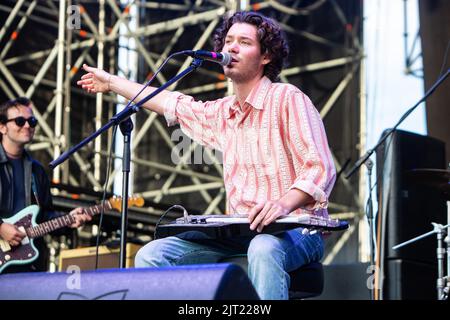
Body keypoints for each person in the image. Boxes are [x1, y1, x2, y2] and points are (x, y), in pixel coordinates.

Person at [77, 11, 335, 300]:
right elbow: (171, 102)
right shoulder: (224, 112)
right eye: (228, 41)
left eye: (244, 42)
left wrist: (282, 204)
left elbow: (319, 168)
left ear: (266, 57)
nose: (231, 48)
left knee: (263, 247)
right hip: (240, 233)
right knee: (152, 255)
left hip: (298, 230)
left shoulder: (288, 98)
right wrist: (112, 82)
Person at [0, 97, 92, 273]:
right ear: (2, 127)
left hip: (27, 265)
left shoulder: (37, 171)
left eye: (32, 121)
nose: (27, 125)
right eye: (20, 121)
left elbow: (43, 217)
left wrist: (68, 220)